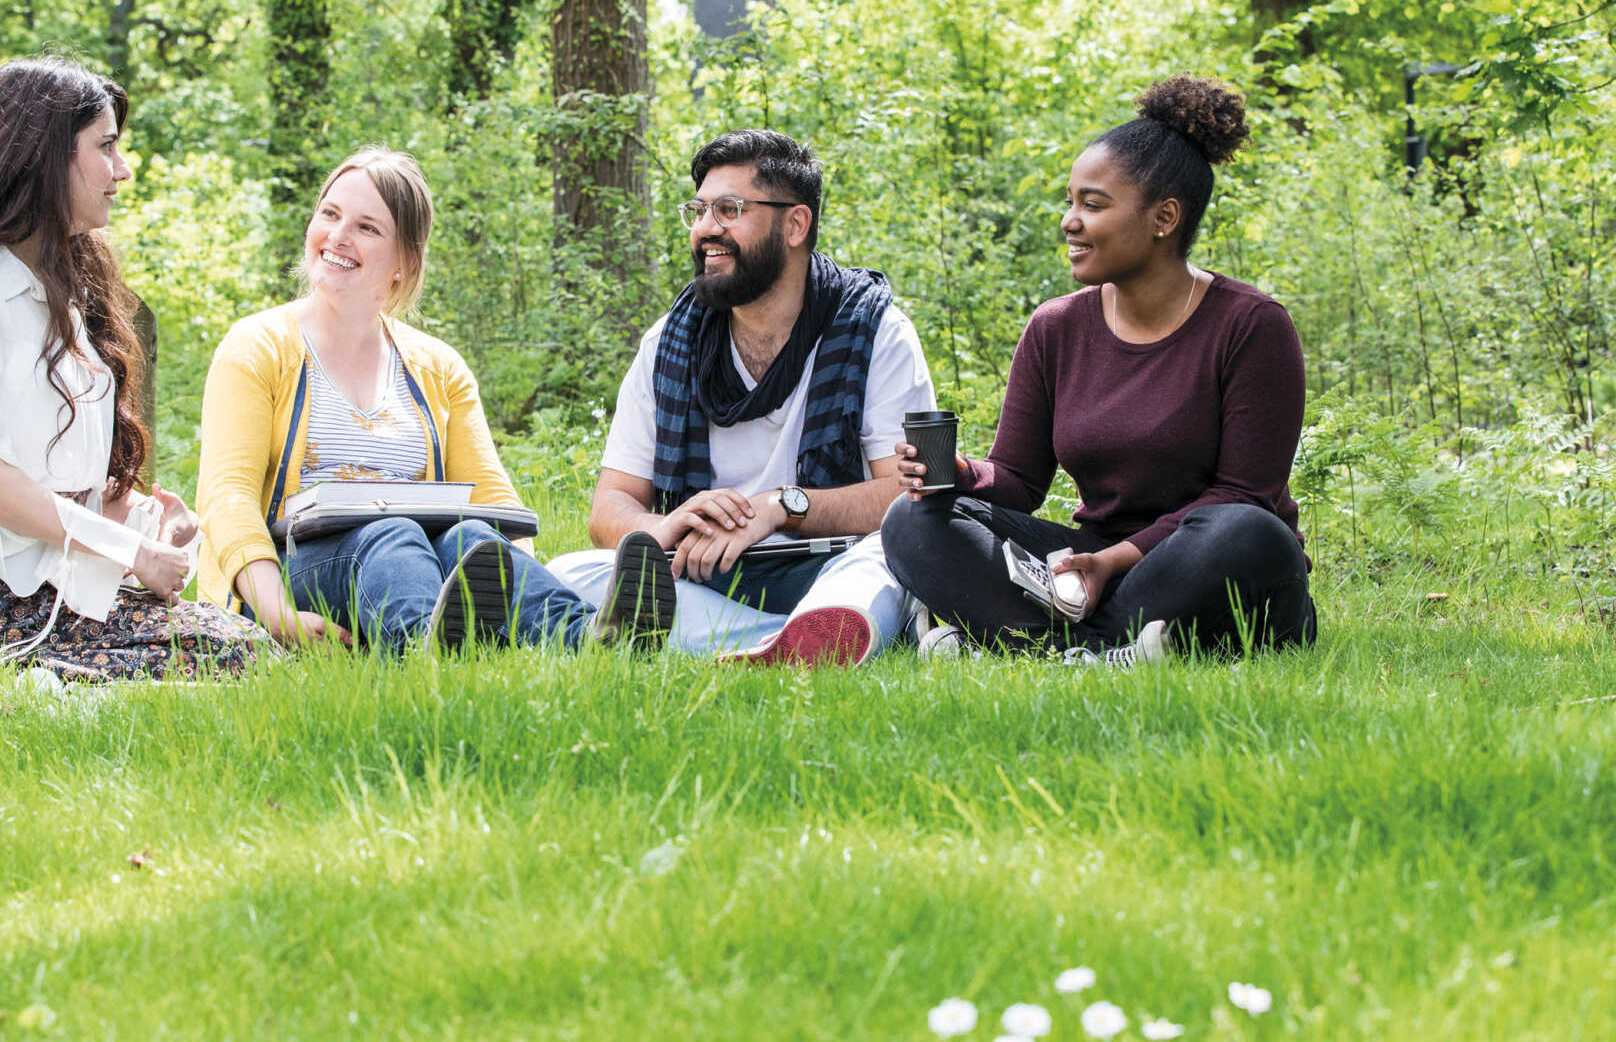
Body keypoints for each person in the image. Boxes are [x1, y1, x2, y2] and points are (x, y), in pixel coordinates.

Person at [0, 57, 272, 682]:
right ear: (44, 157)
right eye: (106, 148)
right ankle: (34, 680)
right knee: (234, 658)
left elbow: (58, 481)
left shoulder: (69, 289)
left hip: (61, 575)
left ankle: (57, 681)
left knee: (248, 651)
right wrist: (130, 551)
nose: (122, 171)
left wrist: (144, 523)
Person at [883, 75, 1315, 665]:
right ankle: (1109, 652)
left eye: (1092, 204)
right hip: (1090, 562)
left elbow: (1245, 494)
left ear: (1164, 217)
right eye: (1070, 201)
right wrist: (958, 473)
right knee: (917, 518)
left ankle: (1022, 640)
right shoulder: (1057, 327)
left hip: (1200, 566)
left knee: (1246, 531)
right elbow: (1017, 480)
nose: (1068, 221)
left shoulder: (1251, 325)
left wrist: (1113, 563)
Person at [194, 147, 673, 652]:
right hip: (291, 574)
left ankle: (593, 639)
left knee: (473, 541)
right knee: (392, 533)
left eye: (367, 227)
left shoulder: (438, 367)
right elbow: (228, 498)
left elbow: (496, 503)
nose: (337, 236)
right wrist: (277, 614)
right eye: (330, 214)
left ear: (405, 263)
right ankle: (425, 647)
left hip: (409, 567)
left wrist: (505, 580)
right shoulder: (258, 346)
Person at [548, 130, 938, 666]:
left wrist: (778, 508)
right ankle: (792, 640)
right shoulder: (668, 343)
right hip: (707, 573)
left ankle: (796, 627)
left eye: (729, 209)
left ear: (796, 224)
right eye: (700, 210)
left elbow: (903, 495)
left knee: (888, 556)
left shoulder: (876, 331)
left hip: (829, 562)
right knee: (568, 572)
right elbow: (610, 507)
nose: (707, 229)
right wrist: (665, 526)